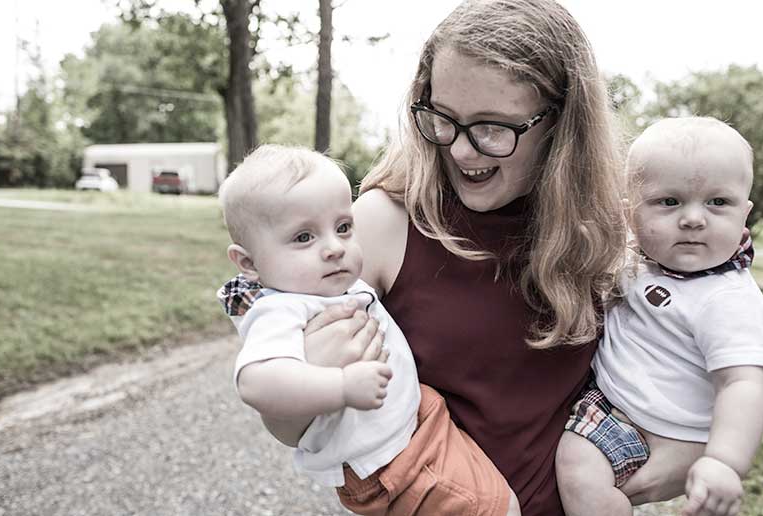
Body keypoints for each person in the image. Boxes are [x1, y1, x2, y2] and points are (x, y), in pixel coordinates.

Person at [254, 1, 701, 514]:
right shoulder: (382, 223)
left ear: (559, 121)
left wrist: (690, 453)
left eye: (494, 127)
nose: (463, 152)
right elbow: (287, 422)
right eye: (443, 118)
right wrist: (318, 375)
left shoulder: (602, 229)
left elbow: (700, 349)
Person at [217, 144, 520, 515]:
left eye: (343, 228)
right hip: (388, 463)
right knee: (497, 508)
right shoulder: (280, 310)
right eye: (303, 237)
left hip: (417, 425)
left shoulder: (333, 284)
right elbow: (256, 382)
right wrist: (341, 387)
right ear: (248, 262)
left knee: (500, 494)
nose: (333, 248)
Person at [556, 117, 763, 516]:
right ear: (630, 215)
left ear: (745, 213)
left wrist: (723, 461)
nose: (693, 218)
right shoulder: (638, 262)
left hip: (650, 425)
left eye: (718, 202)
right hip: (614, 401)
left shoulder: (726, 298)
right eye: (669, 202)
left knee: (576, 468)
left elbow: (743, 383)